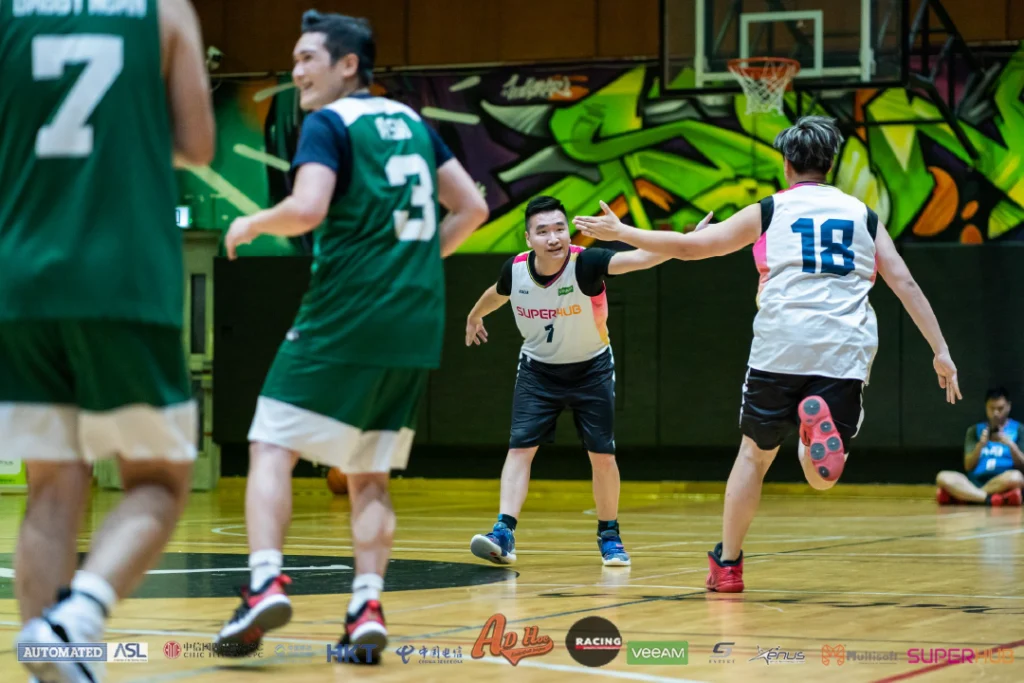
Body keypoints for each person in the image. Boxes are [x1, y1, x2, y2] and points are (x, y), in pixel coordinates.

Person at [574, 116, 961, 593]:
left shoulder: (771, 209)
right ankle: (813, 433)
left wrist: (623, 230)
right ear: (830, 163)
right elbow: (905, 282)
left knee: (754, 456)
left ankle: (727, 565)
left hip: (781, 344)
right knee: (821, 480)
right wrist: (940, 350)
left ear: (786, 164)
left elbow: (692, 248)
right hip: (843, 348)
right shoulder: (863, 215)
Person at [212, 11, 487, 663]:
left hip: (347, 308)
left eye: (308, 57)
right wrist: (413, 263)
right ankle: (367, 605)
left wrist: (253, 222)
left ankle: (263, 583)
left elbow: (307, 208)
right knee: (369, 474)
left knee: (270, 444)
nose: (296, 71)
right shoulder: (413, 123)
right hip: (415, 317)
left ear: (348, 65)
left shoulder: (329, 123)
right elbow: (473, 207)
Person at [1, 0, 215, 681]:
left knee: (51, 487)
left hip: (23, 276)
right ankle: (78, 617)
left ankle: (51, 655)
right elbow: (198, 143)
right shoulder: (165, 11)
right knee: (158, 481)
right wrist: (129, 132)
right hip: (124, 276)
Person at [466, 196, 671, 567]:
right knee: (519, 449)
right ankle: (503, 532)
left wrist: (684, 244)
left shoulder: (586, 262)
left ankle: (609, 535)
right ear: (529, 238)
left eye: (560, 228)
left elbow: (641, 258)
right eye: (543, 231)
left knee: (602, 455)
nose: (553, 238)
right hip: (538, 371)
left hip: (591, 369)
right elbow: (498, 293)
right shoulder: (515, 270)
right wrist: (475, 315)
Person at [936, 388, 1024, 505]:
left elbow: (1022, 465)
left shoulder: (1019, 429)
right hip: (974, 481)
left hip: (1003, 480)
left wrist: (1011, 445)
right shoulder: (974, 430)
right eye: (992, 408)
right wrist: (980, 445)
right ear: (986, 407)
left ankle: (966, 496)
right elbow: (968, 466)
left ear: (1009, 406)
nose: (996, 413)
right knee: (942, 477)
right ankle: (990, 499)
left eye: (1000, 408)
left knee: (1016, 478)